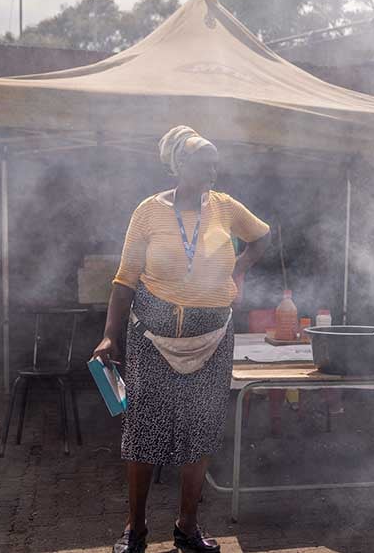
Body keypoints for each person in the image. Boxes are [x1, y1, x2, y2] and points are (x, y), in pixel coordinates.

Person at [93, 126, 271, 553]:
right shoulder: (149, 212)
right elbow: (124, 281)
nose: (213, 170)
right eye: (203, 162)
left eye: (215, 162)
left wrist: (238, 269)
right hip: (152, 339)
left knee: (202, 431)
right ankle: (134, 530)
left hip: (213, 339)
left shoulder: (225, 208)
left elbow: (262, 236)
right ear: (179, 165)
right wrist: (108, 336)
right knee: (143, 433)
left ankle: (187, 528)